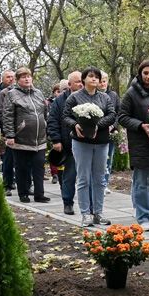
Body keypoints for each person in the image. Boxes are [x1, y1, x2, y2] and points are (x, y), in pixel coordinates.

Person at [64, 68, 117, 226]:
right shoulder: (75, 97)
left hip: (101, 142)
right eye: (91, 76)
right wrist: (75, 125)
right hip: (81, 142)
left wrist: (97, 126)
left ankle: (98, 213)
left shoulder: (105, 97)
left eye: (97, 77)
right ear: (84, 79)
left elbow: (112, 115)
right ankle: (86, 213)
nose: (94, 79)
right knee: (83, 178)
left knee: (99, 179)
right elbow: (65, 116)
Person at [119, 59, 149, 229]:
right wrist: (141, 125)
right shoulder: (132, 93)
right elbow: (122, 116)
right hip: (140, 143)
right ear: (140, 74)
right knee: (141, 182)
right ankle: (142, 217)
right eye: (145, 73)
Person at [1, 67, 51, 204]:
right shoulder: (12, 94)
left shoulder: (39, 93)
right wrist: (10, 135)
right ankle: (23, 193)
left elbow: (45, 112)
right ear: (17, 80)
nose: (27, 79)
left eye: (28, 76)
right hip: (21, 138)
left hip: (39, 139)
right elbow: (7, 116)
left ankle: (39, 194)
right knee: (22, 168)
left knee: (39, 167)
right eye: (23, 77)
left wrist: (46, 127)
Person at [48, 71, 83, 215]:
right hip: (68, 144)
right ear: (69, 85)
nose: (81, 84)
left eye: (82, 81)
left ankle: (90, 207)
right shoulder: (60, 101)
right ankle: (68, 203)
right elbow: (53, 121)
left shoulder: (89, 96)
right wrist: (56, 140)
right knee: (69, 176)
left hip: (87, 144)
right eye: (77, 82)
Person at [99, 73, 120, 195]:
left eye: (104, 81)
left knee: (109, 159)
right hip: (99, 131)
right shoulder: (95, 95)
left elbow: (118, 112)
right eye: (100, 81)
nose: (102, 84)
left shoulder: (113, 95)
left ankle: (105, 184)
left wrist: (113, 126)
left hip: (111, 131)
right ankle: (99, 183)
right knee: (100, 160)